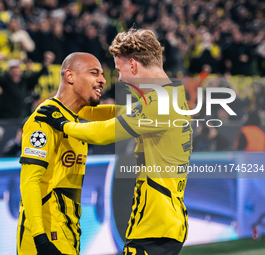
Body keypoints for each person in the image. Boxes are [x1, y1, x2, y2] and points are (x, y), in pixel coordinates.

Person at [36, 28, 192, 255]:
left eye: (119, 70)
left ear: (133, 65)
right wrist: (78, 107)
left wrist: (62, 122)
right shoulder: (170, 97)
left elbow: (104, 133)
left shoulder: (161, 103)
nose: (119, 78)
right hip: (165, 222)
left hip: (155, 227)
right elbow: (120, 112)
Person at [17, 52, 112, 255]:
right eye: (94, 73)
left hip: (68, 229)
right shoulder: (44, 119)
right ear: (70, 76)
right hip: (47, 235)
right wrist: (40, 239)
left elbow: (106, 113)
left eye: (102, 74)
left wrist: (146, 110)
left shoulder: (70, 118)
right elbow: (29, 182)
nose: (102, 80)